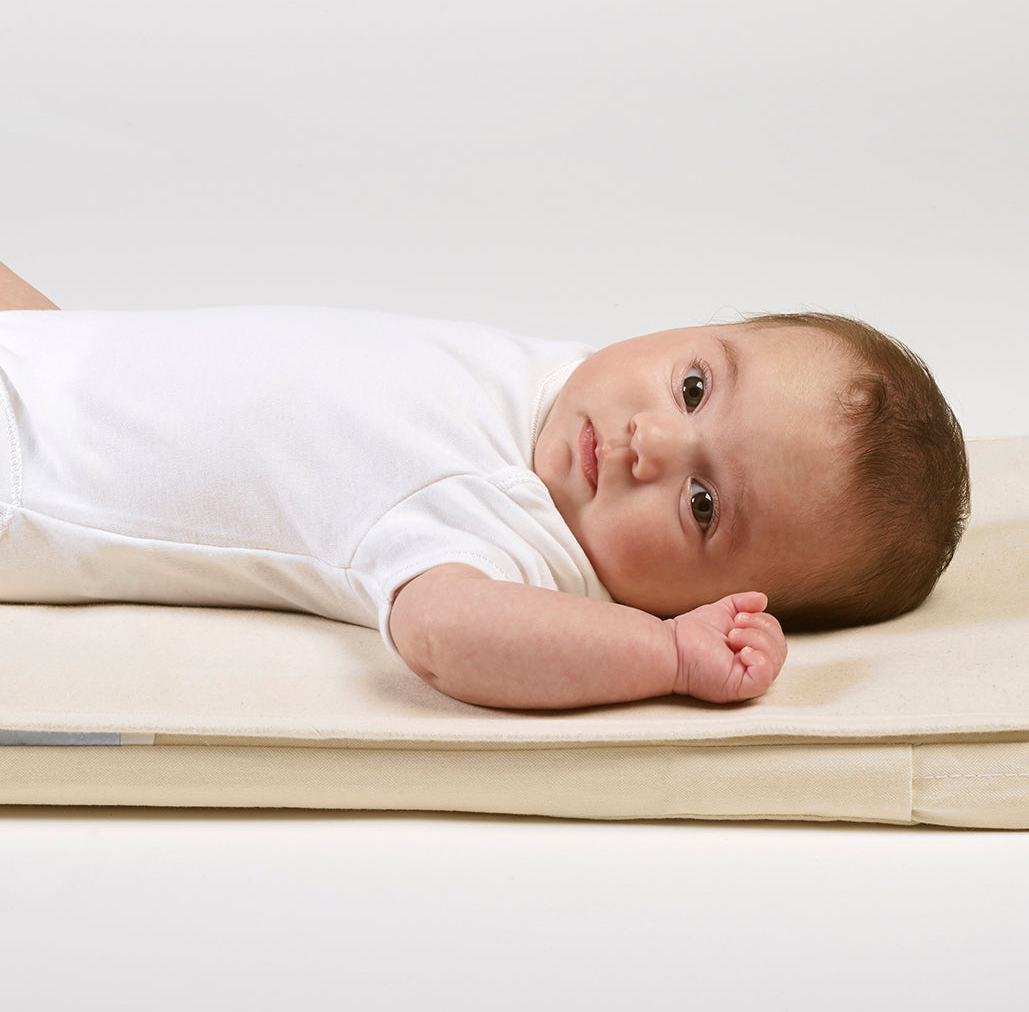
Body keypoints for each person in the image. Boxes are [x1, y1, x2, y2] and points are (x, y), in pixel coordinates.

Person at [0, 261, 969, 710]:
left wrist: (665, 654)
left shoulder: (510, 537)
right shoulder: (565, 383)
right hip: (57, 349)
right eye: (693, 385)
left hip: (29, 466)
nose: (650, 442)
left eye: (702, 504)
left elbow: (444, 635)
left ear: (710, 597)